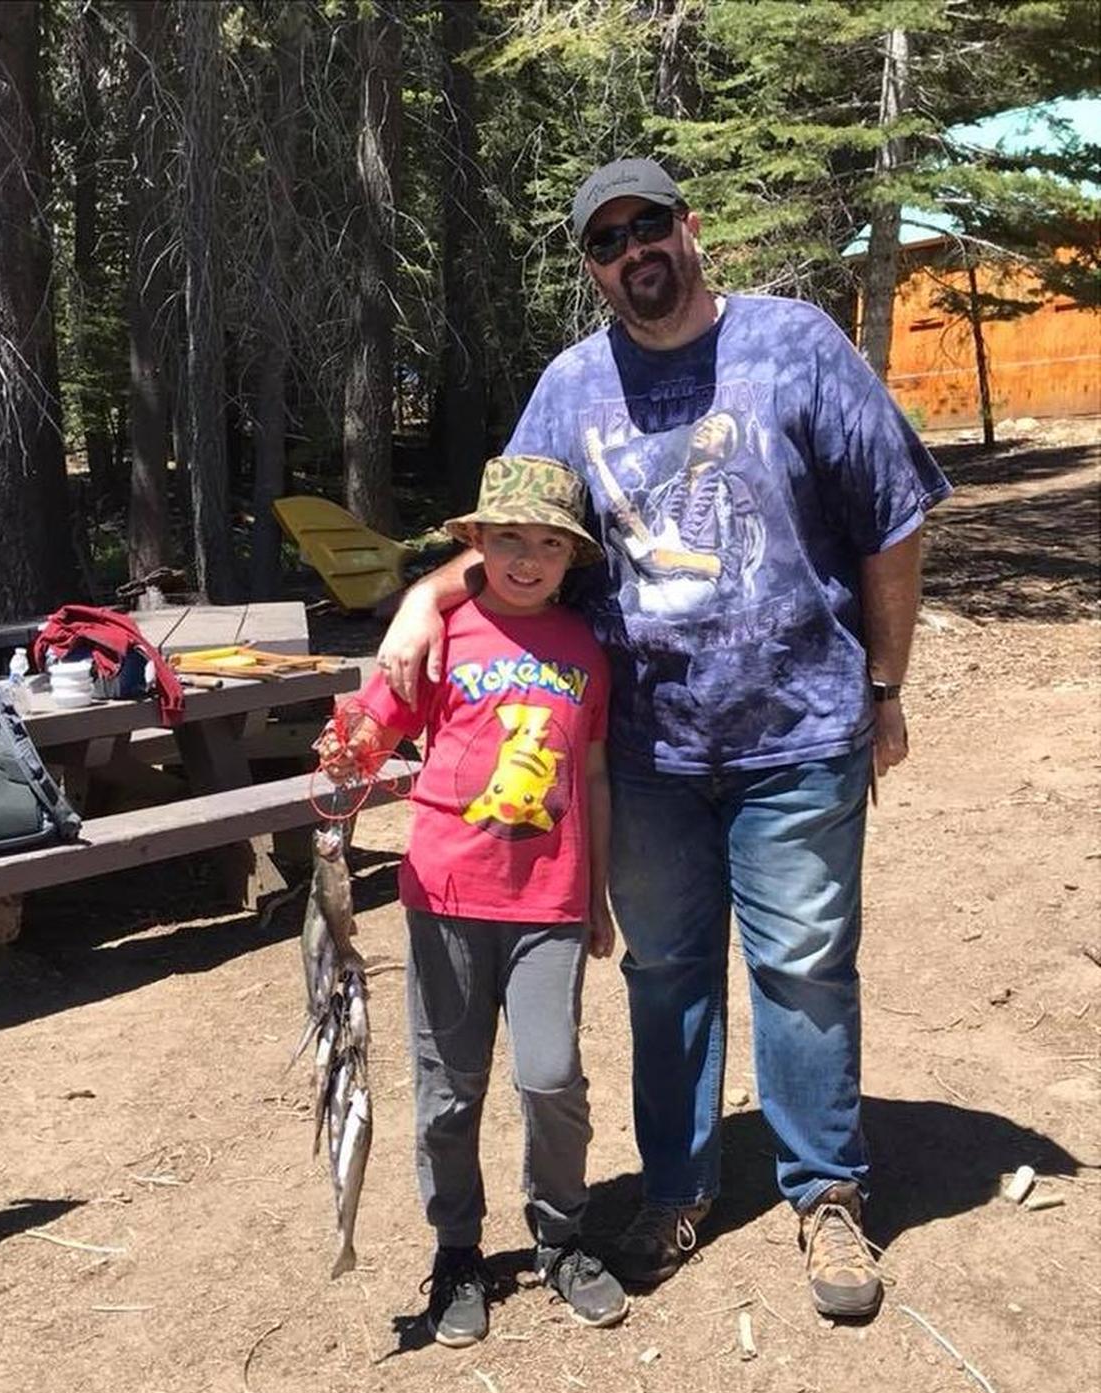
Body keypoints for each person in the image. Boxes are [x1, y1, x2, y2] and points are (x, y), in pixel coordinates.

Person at [374, 158, 951, 1319]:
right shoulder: (572, 387)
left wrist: (886, 684)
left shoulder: (794, 346)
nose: (633, 251)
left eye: (649, 226)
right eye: (607, 240)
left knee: (803, 967)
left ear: (689, 230)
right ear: (593, 266)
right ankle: (679, 1188)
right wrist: (424, 599)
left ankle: (827, 1191)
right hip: (644, 751)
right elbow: (515, 531)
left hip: (799, 733)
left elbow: (893, 517)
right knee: (666, 972)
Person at [317, 454, 629, 1346]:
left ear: (571, 559)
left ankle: (561, 1236)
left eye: (548, 545)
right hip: (447, 897)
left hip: (550, 904)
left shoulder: (584, 651)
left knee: (551, 1077)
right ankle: (457, 1249)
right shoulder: (442, 635)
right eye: (508, 540)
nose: (527, 560)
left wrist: (598, 894)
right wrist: (347, 755)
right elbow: (369, 733)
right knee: (449, 1089)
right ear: (477, 544)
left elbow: (592, 777)